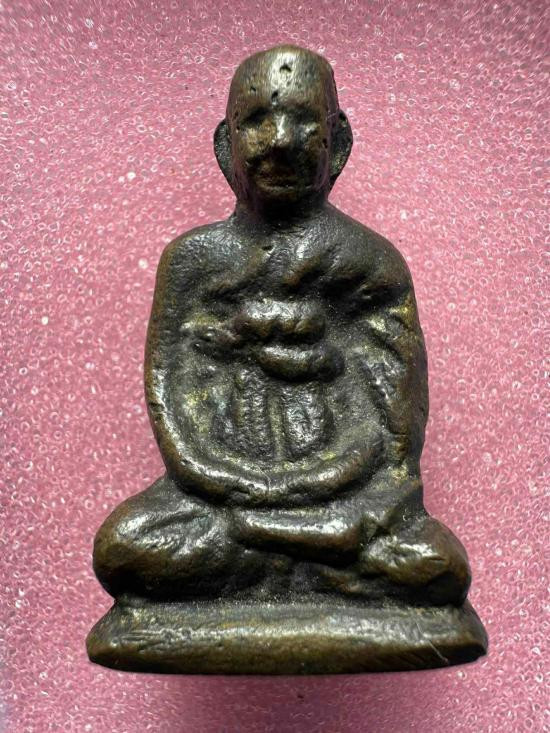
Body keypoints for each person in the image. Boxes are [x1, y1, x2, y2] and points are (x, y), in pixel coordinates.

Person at [93, 45, 470, 607]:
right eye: (256, 121)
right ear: (226, 146)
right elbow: (171, 403)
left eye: (305, 122)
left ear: (339, 144)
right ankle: (310, 558)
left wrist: (324, 484)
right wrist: (232, 482)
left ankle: (277, 553)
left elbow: (393, 433)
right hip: (222, 498)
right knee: (123, 549)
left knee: (435, 565)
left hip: (341, 495)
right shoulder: (193, 262)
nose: (281, 140)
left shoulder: (371, 263)